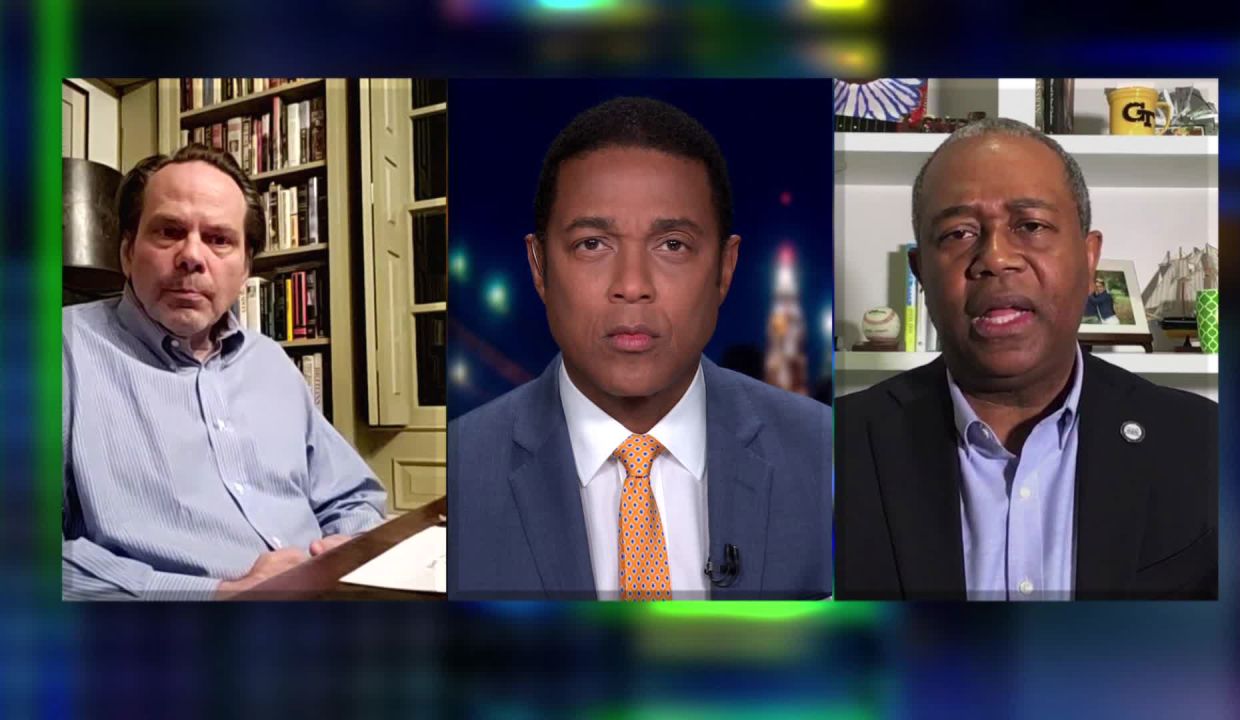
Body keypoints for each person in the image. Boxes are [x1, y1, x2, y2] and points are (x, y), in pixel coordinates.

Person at [448, 97, 832, 600]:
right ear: (539, 266)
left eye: (672, 244)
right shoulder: (461, 468)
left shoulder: (825, 452)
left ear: (725, 268)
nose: (632, 285)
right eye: (592, 244)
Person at [835, 118, 1217, 601]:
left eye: (1031, 226)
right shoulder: (832, 450)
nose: (995, 258)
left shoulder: (1205, 443)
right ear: (921, 272)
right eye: (957, 233)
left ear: (1089, 255)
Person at [63, 145, 386, 601]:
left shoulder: (271, 363)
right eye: (169, 231)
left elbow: (353, 497)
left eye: (219, 239)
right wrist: (221, 594)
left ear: (245, 269)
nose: (192, 256)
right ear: (127, 252)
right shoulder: (59, 350)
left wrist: (347, 549)